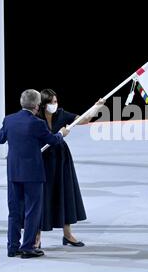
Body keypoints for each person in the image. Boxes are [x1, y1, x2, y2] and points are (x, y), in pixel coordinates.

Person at [0, 89, 70, 259]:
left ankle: (12, 247)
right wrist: (61, 134)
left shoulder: (9, 120)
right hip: (33, 174)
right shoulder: (37, 123)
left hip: (13, 173)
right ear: (37, 106)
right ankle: (28, 247)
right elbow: (52, 141)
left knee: (14, 211)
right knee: (32, 211)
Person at [35, 89, 105, 248]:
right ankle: (36, 236)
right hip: (42, 159)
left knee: (64, 193)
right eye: (52, 102)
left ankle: (67, 235)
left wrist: (97, 107)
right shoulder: (36, 117)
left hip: (61, 159)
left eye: (56, 101)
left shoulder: (60, 114)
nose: (55, 104)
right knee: (41, 196)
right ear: (43, 104)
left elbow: (83, 119)